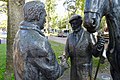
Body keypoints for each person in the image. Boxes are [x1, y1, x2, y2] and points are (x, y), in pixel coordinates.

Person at [13, 1, 68, 80]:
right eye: (44, 16)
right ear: (38, 16)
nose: (45, 21)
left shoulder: (19, 33)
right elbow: (53, 73)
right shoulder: (39, 42)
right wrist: (63, 66)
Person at [61, 14, 105, 80]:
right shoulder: (69, 37)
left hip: (85, 71)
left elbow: (95, 53)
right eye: (71, 24)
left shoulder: (88, 35)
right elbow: (66, 52)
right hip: (74, 71)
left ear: (80, 23)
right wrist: (64, 59)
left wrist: (99, 46)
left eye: (74, 24)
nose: (72, 26)